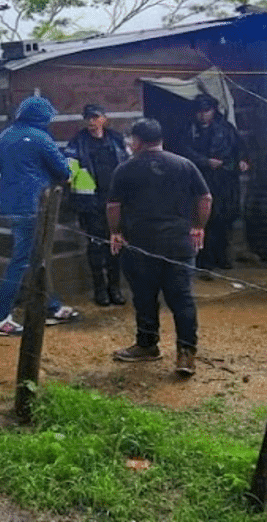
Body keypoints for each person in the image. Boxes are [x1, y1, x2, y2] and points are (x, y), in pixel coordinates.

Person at [107, 117, 212, 376]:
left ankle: (147, 345)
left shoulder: (125, 169)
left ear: (137, 141)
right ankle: (186, 354)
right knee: (182, 299)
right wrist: (198, 227)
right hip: (179, 243)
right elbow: (205, 197)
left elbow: (113, 206)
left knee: (144, 297)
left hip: (140, 245)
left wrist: (115, 232)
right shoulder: (184, 165)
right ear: (160, 139)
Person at [0, 95, 82, 336]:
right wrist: (71, 166)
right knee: (22, 260)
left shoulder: (3, 136)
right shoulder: (41, 138)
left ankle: (52, 307)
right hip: (36, 205)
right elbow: (62, 172)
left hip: (12, 205)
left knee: (36, 258)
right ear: (42, 117)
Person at [64, 104, 130, 307]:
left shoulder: (117, 139)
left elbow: (130, 163)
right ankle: (100, 290)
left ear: (104, 118)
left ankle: (115, 288)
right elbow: (69, 170)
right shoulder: (77, 142)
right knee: (95, 246)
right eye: (88, 118)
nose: (91, 122)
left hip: (116, 201)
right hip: (90, 203)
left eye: (95, 117)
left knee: (116, 244)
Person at [179, 93, 247, 272]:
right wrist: (205, 161)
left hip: (225, 180)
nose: (203, 115)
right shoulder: (189, 130)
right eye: (199, 111)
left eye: (206, 111)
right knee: (203, 221)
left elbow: (240, 148)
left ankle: (222, 256)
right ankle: (204, 260)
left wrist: (242, 160)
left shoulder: (226, 128)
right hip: (202, 180)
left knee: (225, 219)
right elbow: (184, 152)